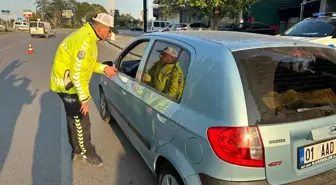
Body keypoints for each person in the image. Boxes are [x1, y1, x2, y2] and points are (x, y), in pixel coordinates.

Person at [49, 13, 118, 168]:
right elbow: (78, 74)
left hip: (66, 83)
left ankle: (77, 150)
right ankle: (88, 153)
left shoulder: (87, 37)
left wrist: (104, 68)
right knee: (81, 121)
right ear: (100, 29)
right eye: (109, 31)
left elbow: (87, 65)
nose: (110, 34)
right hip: (68, 86)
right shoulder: (85, 42)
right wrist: (85, 99)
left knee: (73, 119)